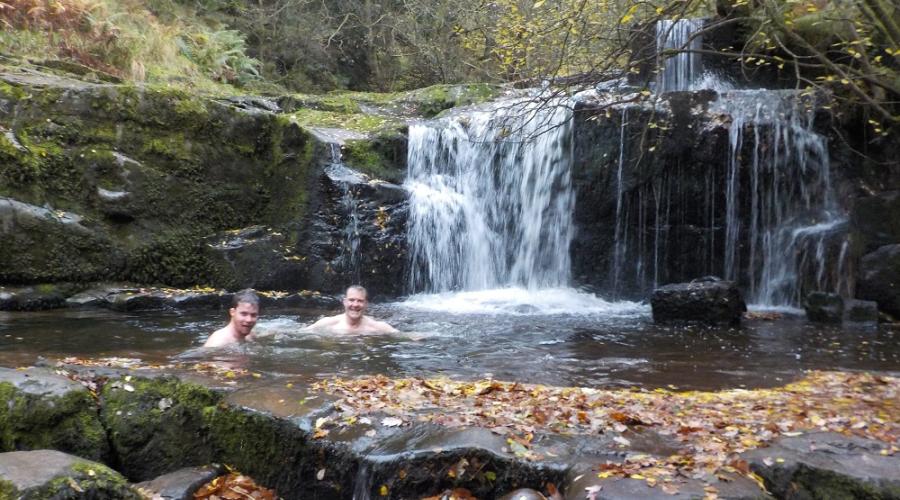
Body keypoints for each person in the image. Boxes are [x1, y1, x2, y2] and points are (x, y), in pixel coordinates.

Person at [306, 285, 398, 334]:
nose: (355, 304)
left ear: (366, 304)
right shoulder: (328, 323)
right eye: (351, 300)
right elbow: (299, 333)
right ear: (345, 302)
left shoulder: (377, 327)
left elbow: (402, 335)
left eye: (360, 301)